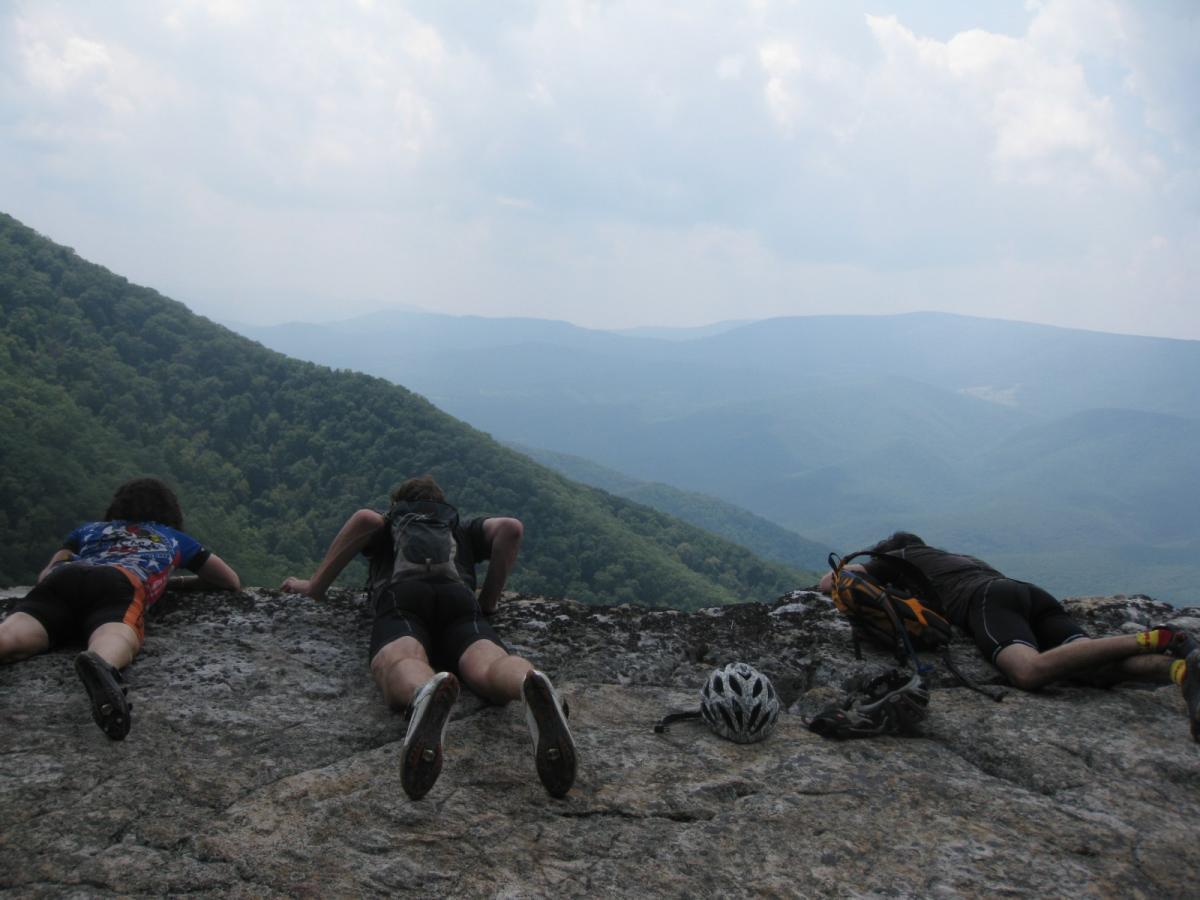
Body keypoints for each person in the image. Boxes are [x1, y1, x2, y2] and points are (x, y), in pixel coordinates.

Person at [280, 475, 577, 800]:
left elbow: (364, 519)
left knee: (402, 659)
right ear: (440, 503)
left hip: (404, 600)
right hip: (459, 603)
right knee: (490, 663)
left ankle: (425, 693)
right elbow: (511, 528)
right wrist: (488, 602)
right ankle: (527, 683)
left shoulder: (390, 523)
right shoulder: (458, 529)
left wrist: (314, 587)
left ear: (399, 504)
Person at [819, 532, 1200, 741]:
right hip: (1029, 594)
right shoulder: (956, 558)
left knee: (1028, 671)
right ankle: (1180, 669)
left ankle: (1160, 638)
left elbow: (832, 581)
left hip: (986, 601)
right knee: (1093, 666)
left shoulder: (898, 556)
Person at [0, 477, 241, 740]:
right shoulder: (174, 538)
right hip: (119, 581)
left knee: (13, 633)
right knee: (114, 632)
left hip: (65, 577)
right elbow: (228, 580)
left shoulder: (88, 530)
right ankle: (101, 662)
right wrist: (174, 583)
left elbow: (46, 573)